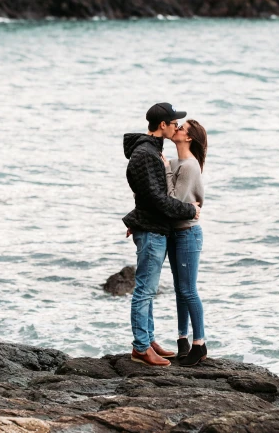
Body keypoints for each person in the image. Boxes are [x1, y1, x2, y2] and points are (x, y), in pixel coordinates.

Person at [123, 102, 200, 367]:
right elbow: (155, 198)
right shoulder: (145, 154)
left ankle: (148, 340)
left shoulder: (153, 151)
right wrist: (189, 209)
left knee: (149, 289)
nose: (177, 126)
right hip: (152, 230)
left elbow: (145, 195)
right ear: (163, 125)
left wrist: (137, 217)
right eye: (174, 122)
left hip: (155, 227)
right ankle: (141, 348)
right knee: (145, 289)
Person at [164, 119, 208, 366]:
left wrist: (167, 170)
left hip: (188, 234)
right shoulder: (174, 163)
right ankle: (182, 339)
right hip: (174, 233)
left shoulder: (189, 166)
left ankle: (199, 344)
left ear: (188, 138)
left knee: (188, 290)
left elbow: (173, 201)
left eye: (181, 128)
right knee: (180, 290)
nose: (176, 128)